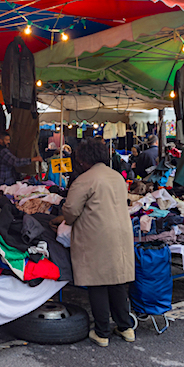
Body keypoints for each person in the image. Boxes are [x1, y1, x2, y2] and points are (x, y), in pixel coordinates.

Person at [62, 138, 135, 347]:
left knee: (98, 283)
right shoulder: (117, 177)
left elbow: (70, 212)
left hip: (97, 234)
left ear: (84, 159)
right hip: (120, 234)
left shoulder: (85, 180)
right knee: (118, 281)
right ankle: (125, 327)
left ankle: (102, 332)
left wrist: (63, 217)